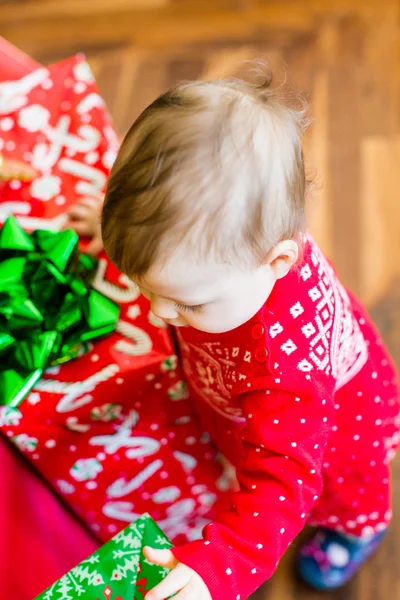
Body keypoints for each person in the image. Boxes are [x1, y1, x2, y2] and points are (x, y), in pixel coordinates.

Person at [95, 76, 399, 600]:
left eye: (188, 302)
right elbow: (174, 229)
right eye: (146, 285)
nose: (159, 312)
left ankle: (358, 530)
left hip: (327, 439)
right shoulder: (234, 252)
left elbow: (282, 481)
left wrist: (223, 563)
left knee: (340, 491)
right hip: (239, 389)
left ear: (277, 261)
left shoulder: (284, 367)